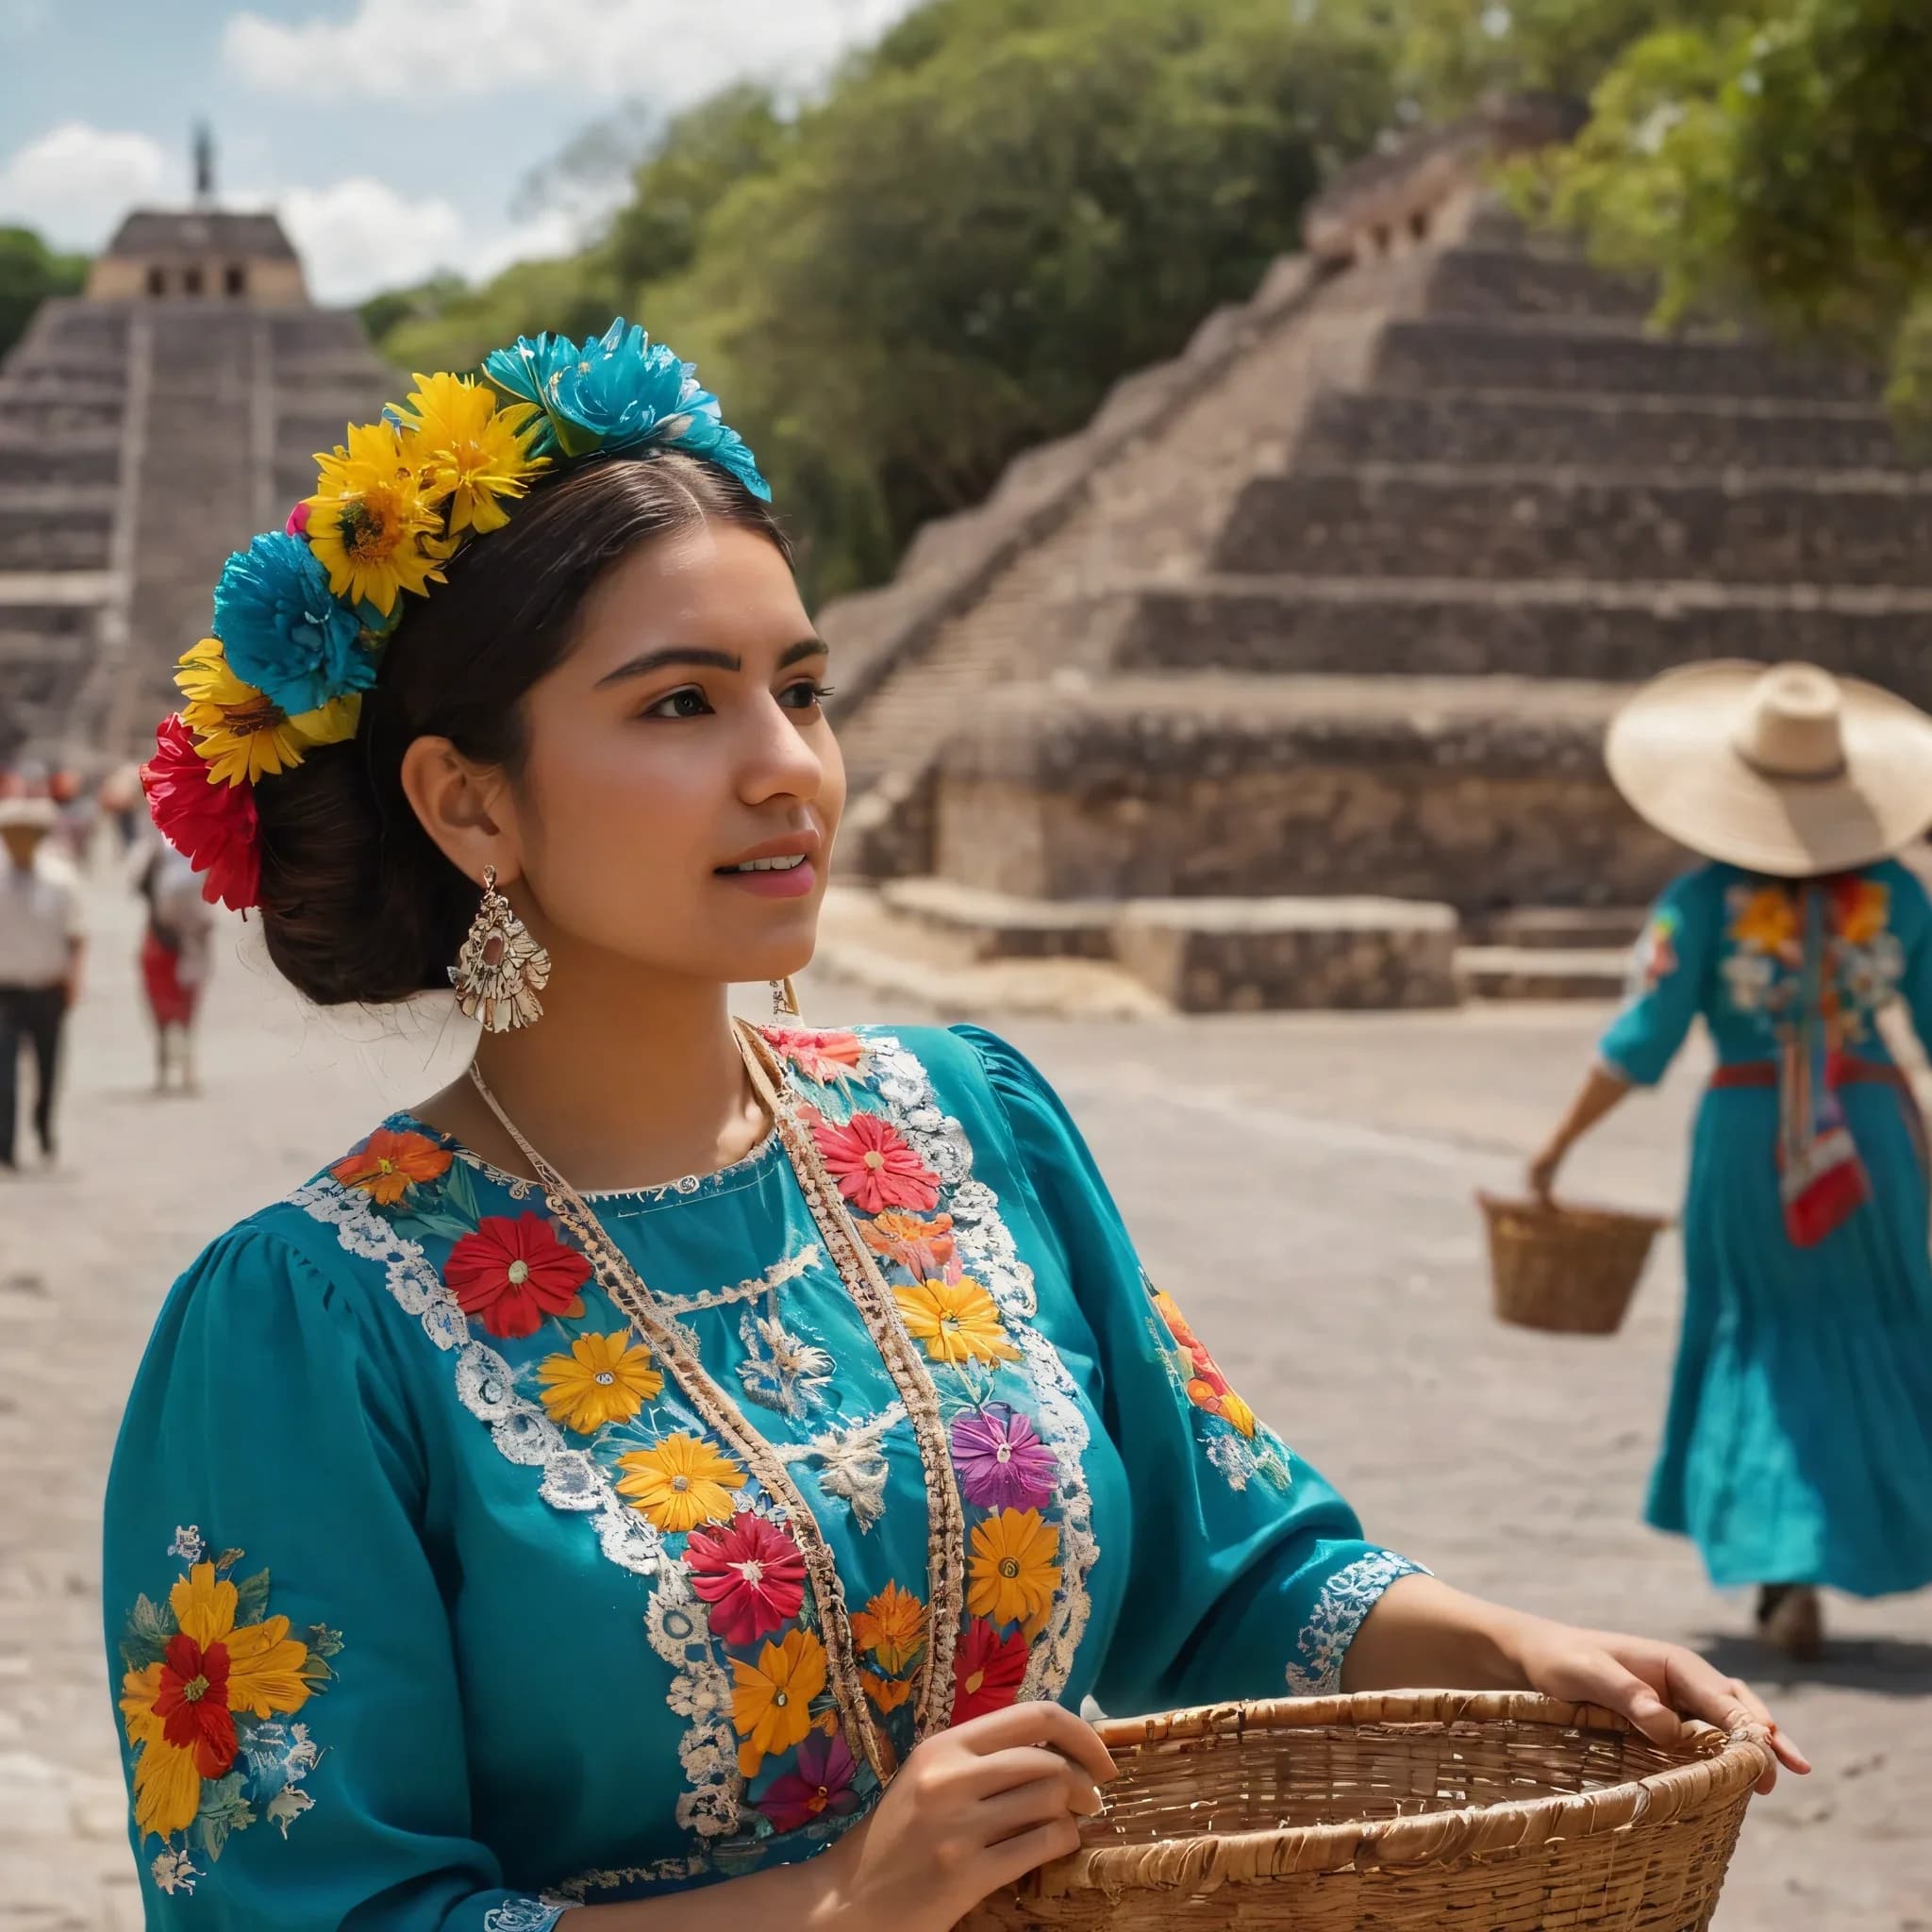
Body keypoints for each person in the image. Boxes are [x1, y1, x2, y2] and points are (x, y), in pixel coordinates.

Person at [105, 327, 1805, 1930]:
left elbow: (1227, 1569)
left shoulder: (967, 1122)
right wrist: (834, 1904)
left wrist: (1516, 1645)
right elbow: (302, 1906)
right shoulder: (306, 1333)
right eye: (680, 704)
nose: (788, 768)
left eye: (805, 688)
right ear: (468, 797)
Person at [1531, 660, 1932, 1661]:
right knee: (1873, 1329)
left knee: (1759, 1332)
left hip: (1748, 1142)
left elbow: (1638, 1040)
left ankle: (1781, 1570)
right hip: (1871, 1138)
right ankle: (1859, 1528)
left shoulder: (1698, 901)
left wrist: (1554, 1146)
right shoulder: (1898, 897)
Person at [0, 795, 84, 1173]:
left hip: (48, 987)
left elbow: (76, 935)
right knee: (4, 1073)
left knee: (48, 1068)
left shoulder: (60, 880)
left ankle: (44, 1127)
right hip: (6, 989)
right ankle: (5, 1146)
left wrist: (73, 979)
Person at [136, 839, 215, 1093]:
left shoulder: (201, 843)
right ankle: (167, 1066)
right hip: (163, 939)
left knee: (187, 1004)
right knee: (162, 1003)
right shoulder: (157, 850)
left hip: (188, 939)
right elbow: (142, 885)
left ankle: (184, 1067)